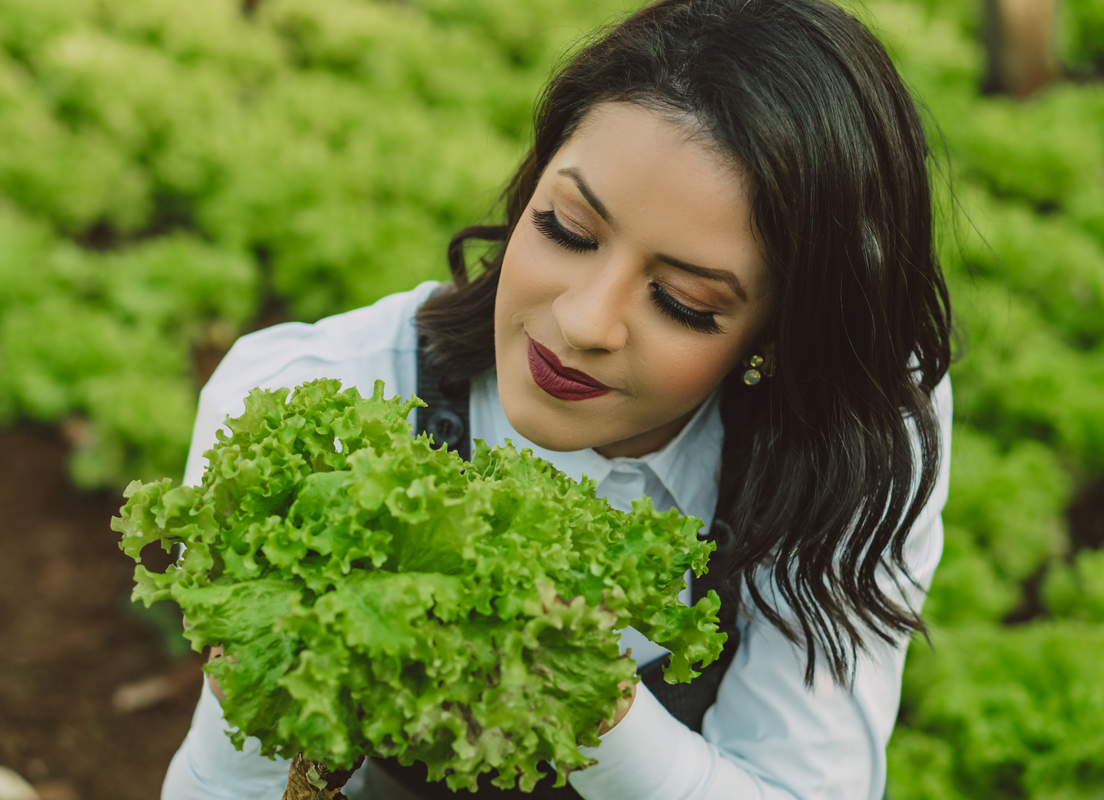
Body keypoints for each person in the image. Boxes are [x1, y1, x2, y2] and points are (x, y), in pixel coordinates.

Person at [161, 0, 954, 797]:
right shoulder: (305, 400)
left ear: (778, 336)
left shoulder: (857, 436)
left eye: (682, 301)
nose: (583, 322)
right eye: (567, 229)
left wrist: (593, 703)